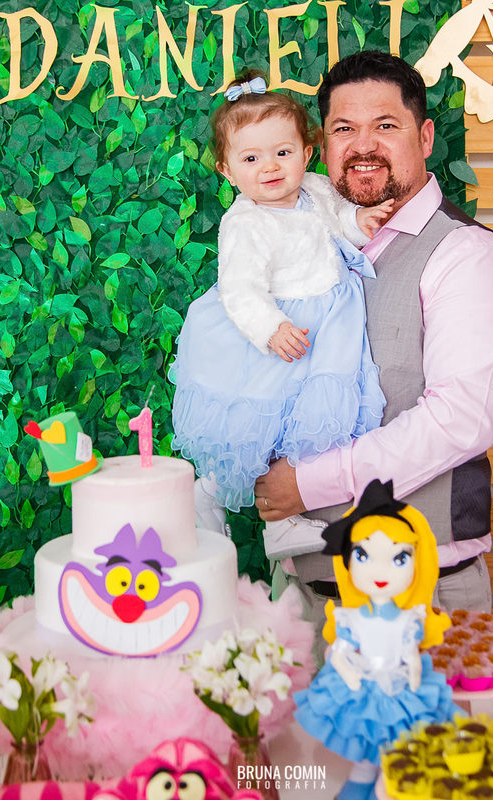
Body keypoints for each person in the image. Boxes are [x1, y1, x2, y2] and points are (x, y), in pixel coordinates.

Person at [254, 51, 493, 614]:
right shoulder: (309, 247)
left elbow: (459, 421)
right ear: (322, 148)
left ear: (425, 137)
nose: (363, 146)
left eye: (385, 125)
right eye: (344, 129)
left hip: (420, 593)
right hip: (304, 588)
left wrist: (307, 485)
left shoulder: (464, 255)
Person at [170, 72, 393, 560]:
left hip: (327, 327)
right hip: (281, 333)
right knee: (261, 425)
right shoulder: (246, 222)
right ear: (227, 171)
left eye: (282, 152)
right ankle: (211, 494)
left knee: (306, 425)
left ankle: (283, 522)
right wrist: (271, 328)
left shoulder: (316, 188)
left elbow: (337, 222)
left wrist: (359, 222)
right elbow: (240, 289)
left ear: (307, 154)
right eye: (251, 159)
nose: (269, 167)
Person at [294, 479, 460, 800]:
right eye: (363, 554)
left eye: (399, 558)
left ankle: (389, 782)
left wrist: (414, 674)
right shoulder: (351, 619)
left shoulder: (410, 620)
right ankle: (364, 778)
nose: (380, 571)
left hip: (399, 688)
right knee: (366, 745)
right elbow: (339, 652)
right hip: (365, 687)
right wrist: (348, 674)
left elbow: (410, 653)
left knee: (398, 748)